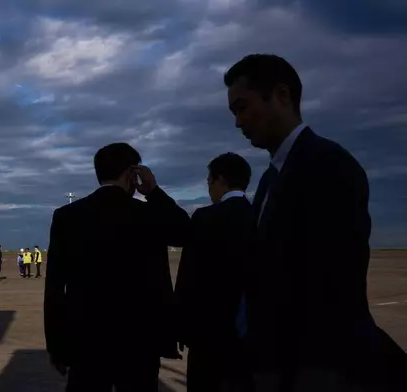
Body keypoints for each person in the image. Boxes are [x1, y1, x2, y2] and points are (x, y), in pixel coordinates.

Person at [225, 53, 407, 391]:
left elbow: (333, 287)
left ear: (282, 95)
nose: (238, 122)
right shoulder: (269, 180)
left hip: (316, 369)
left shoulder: (328, 164)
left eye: (243, 106)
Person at [44, 142, 185, 392]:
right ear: (133, 174)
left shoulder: (67, 216)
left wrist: (56, 346)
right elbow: (184, 233)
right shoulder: (149, 214)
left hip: (85, 341)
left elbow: (55, 288)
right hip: (140, 341)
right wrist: (153, 192)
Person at [173, 152, 256, 392]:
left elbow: (189, 276)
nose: (209, 189)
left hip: (207, 335)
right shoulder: (260, 216)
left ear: (220, 180)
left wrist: (180, 325)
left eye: (209, 182)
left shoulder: (205, 217)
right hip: (249, 335)